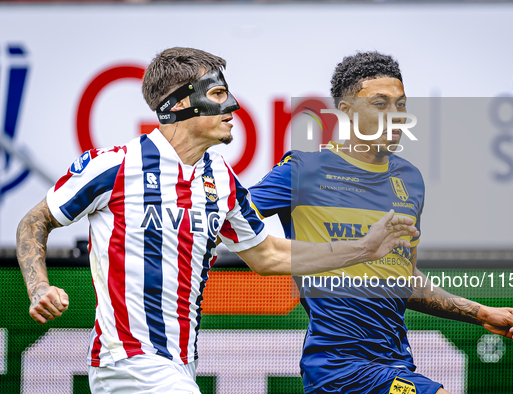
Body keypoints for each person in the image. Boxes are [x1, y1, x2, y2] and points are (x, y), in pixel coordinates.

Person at [15, 47, 420, 394]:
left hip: (178, 365)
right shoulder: (114, 166)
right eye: (217, 93)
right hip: (128, 360)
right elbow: (34, 222)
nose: (233, 107)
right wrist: (39, 287)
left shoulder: (221, 178)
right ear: (177, 105)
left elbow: (269, 255)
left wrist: (364, 248)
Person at [249, 51, 513, 394]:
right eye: (380, 103)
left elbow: (404, 280)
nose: (396, 116)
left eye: (401, 104)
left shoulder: (409, 180)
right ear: (347, 109)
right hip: (341, 369)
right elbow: (227, 223)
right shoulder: (303, 172)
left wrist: (481, 313)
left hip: (396, 363)